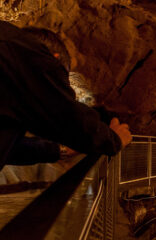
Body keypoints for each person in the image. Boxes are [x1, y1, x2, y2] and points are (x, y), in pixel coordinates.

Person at [0, 21, 131, 170]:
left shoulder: (10, 68)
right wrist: (113, 140)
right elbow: (66, 115)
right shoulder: (30, 56)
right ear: (53, 58)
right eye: (60, 80)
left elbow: (10, 150)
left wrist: (60, 151)